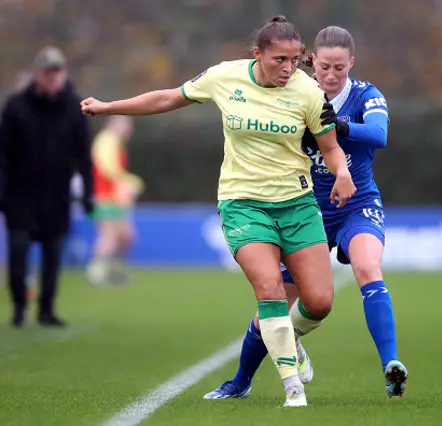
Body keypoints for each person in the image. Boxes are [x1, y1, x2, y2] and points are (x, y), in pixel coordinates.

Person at [79, 16, 356, 407]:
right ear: (258, 54)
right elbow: (167, 97)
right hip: (243, 204)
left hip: (297, 204)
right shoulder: (225, 77)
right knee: (270, 290)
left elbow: (329, 148)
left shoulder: (309, 91)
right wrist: (109, 108)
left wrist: (342, 173)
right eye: (280, 59)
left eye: (295, 60)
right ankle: (293, 388)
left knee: (320, 302)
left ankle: (288, 339)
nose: (289, 68)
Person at [206, 26, 408, 401]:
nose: (331, 76)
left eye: (339, 68)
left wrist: (339, 124)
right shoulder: (298, 92)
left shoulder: (367, 94)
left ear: (352, 64)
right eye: (325, 67)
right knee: (274, 305)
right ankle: (240, 382)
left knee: (367, 268)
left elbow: (379, 135)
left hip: (355, 204)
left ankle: (391, 366)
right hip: (306, 208)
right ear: (312, 61)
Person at [0, 46, 94, 328]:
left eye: (57, 72)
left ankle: (47, 309)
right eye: (47, 72)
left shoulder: (76, 108)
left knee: (53, 256)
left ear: (63, 74)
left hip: (57, 194)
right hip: (20, 194)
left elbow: (84, 156)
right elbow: (2, 154)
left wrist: (88, 193)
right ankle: (18, 306)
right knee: (18, 252)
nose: (52, 78)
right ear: (37, 74)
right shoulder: (16, 106)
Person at [86, 116, 142, 286]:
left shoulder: (113, 142)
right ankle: (97, 272)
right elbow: (108, 169)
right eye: (125, 126)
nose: (128, 131)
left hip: (116, 199)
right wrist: (130, 182)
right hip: (106, 197)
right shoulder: (106, 141)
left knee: (126, 237)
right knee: (108, 236)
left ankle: (113, 270)